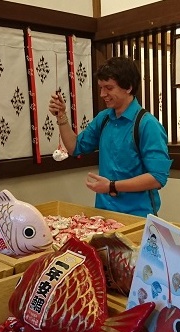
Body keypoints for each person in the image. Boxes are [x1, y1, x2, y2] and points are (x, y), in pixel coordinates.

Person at [48, 56, 172, 217]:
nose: (102, 94)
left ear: (128, 87)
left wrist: (112, 186)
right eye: (101, 88)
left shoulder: (147, 124)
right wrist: (61, 116)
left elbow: (157, 178)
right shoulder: (104, 118)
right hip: (103, 213)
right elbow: (74, 147)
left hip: (138, 216)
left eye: (109, 88)